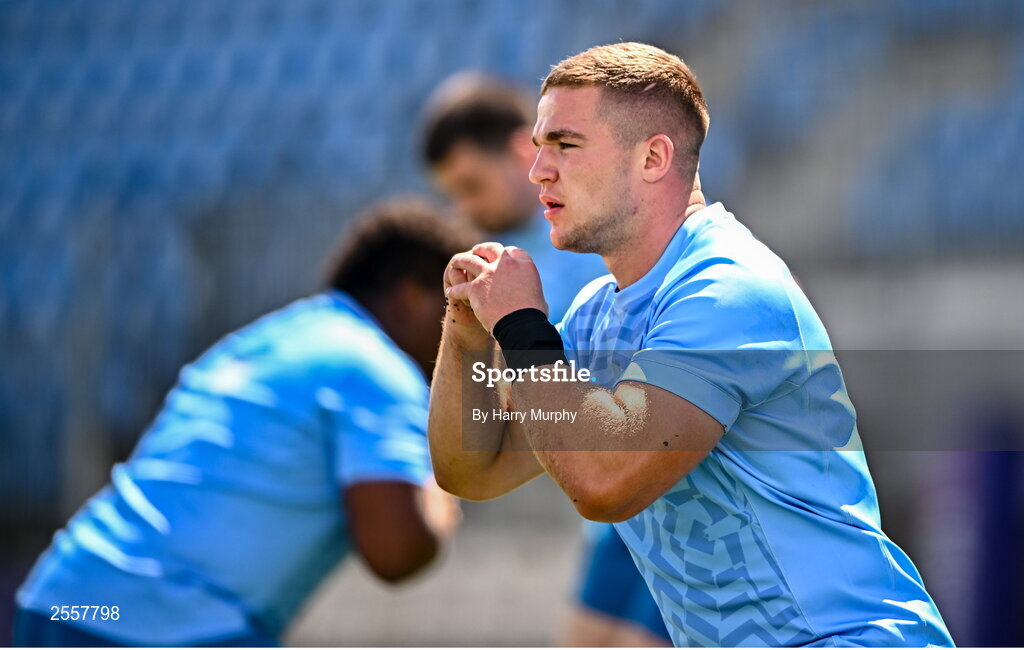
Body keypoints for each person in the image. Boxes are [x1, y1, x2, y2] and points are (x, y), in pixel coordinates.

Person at [428, 43, 954, 646]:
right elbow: (473, 468)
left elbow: (605, 481)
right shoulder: (597, 311)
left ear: (653, 157)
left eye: (565, 145)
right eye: (540, 145)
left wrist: (521, 324)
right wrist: (468, 332)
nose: (538, 170)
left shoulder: (729, 289)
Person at [15, 199, 471, 647]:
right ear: (412, 297)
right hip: (158, 623)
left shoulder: (270, 337)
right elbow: (396, 551)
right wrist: (442, 493)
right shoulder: (375, 366)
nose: (460, 341)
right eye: (457, 316)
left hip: (60, 602)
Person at [421, 74, 669, 646]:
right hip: (624, 512)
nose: (465, 208)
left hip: (684, 490)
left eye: (471, 184)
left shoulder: (593, 245)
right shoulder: (509, 261)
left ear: (518, 150)